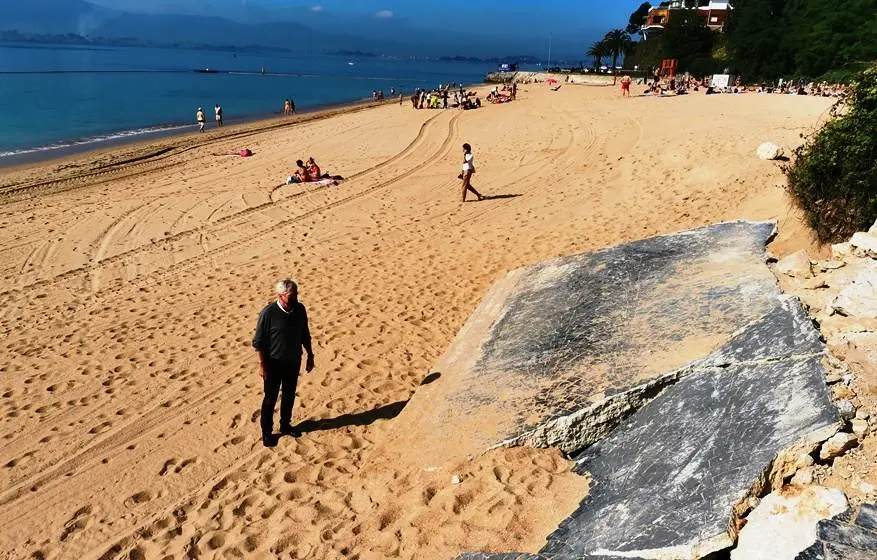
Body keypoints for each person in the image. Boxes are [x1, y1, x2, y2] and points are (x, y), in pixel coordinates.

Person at [252, 279, 314, 447]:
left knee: (289, 395)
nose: (295, 298)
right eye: (291, 296)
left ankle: (285, 425)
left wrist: (310, 355)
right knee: (270, 398)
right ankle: (267, 432)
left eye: (296, 294)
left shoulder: (299, 309)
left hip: (293, 361)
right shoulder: (268, 313)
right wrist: (262, 365)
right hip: (273, 363)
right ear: (280, 296)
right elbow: (258, 342)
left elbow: (305, 333)